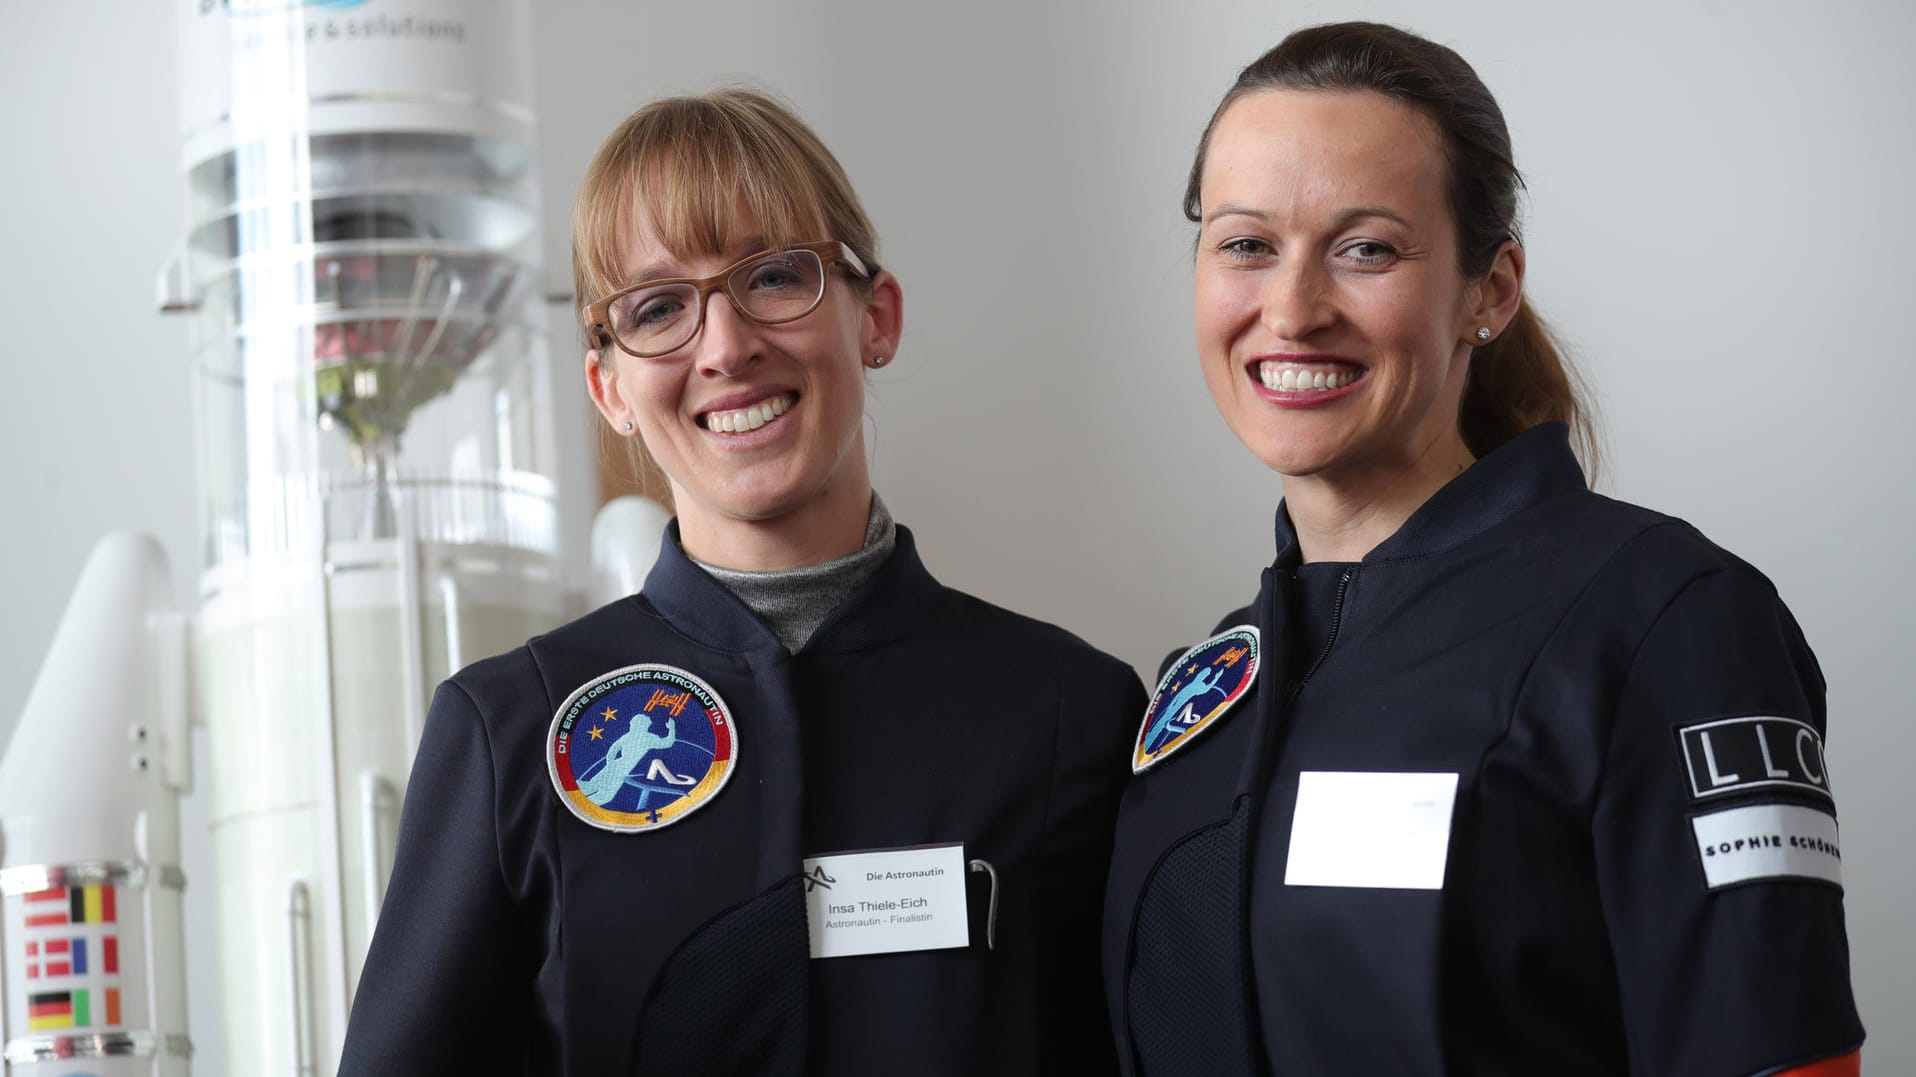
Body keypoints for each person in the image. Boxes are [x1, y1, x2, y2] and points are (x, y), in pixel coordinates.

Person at [1102, 23, 1863, 1077]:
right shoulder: (1200, 698)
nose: (1291, 308)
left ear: (1489, 290)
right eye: (1244, 244)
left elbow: (1779, 1060)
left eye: (1364, 248)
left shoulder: (1662, 623)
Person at [340, 87, 1144, 1075]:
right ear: (610, 389)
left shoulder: (1068, 712)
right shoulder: (508, 731)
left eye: (772, 277)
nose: (723, 347)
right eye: (658, 308)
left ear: (875, 318)